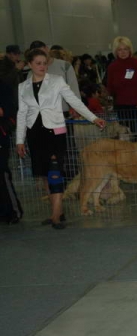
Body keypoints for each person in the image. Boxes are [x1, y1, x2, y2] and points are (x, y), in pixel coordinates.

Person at [15, 49, 105, 229]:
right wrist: (19, 140)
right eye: (38, 63)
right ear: (30, 65)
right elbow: (22, 113)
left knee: (55, 172)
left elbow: (74, 101)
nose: (42, 66)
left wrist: (93, 118)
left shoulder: (56, 81)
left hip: (55, 133)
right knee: (45, 176)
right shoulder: (22, 87)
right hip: (35, 134)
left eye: (44, 63)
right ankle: (58, 210)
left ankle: (56, 216)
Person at [107, 36, 137, 132]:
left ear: (130, 50)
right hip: (121, 108)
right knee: (125, 138)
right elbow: (110, 88)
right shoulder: (112, 67)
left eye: (125, 49)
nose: (123, 52)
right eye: (120, 50)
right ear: (116, 51)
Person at [28, 41, 81, 116]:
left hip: (64, 112)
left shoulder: (65, 66)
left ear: (47, 49)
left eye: (42, 52)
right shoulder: (31, 72)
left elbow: (73, 87)